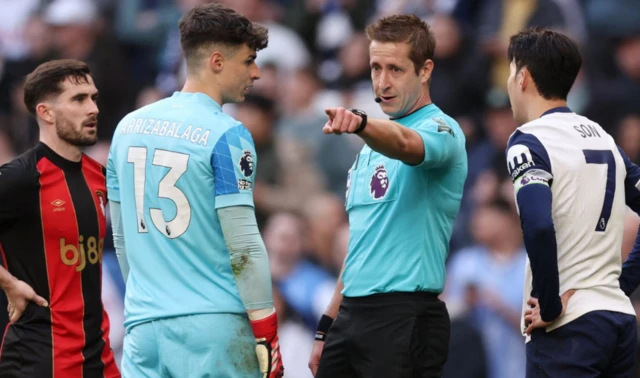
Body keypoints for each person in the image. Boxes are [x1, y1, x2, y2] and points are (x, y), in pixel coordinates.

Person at [106, 4, 283, 378]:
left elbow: (121, 238)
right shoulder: (228, 133)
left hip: (144, 327)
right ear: (217, 61)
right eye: (249, 60)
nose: (256, 72)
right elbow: (245, 246)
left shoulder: (126, 128)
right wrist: (266, 330)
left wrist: (147, 300)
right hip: (212, 329)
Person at [308, 14, 468, 378]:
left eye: (395, 69)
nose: (383, 82)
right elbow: (362, 246)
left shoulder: (441, 129)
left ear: (425, 70)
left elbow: (406, 144)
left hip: (405, 316)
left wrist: (362, 124)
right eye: (375, 67)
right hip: (350, 316)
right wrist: (326, 325)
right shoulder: (369, 149)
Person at [504, 28, 639, 377]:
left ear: (523, 78)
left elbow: (537, 225)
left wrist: (548, 305)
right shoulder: (604, 138)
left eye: (509, 71)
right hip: (619, 320)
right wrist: (622, 283)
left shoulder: (529, 140)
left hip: (569, 326)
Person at [0, 59, 120, 378]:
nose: (92, 108)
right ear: (46, 112)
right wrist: (8, 282)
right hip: (39, 358)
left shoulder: (100, 177)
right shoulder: (19, 179)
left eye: (93, 98)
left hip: (100, 357)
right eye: (78, 99)